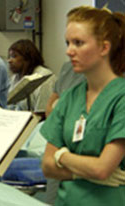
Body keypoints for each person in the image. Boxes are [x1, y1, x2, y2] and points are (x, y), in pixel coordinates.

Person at [41, 6, 125, 205]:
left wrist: (62, 156)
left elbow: (102, 169)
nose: (69, 51)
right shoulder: (70, 97)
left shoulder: (120, 97)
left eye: (78, 43)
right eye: (68, 43)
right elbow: (47, 165)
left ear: (104, 48)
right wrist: (81, 173)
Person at [7, 39, 56, 115]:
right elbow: (10, 107)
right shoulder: (16, 77)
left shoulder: (44, 77)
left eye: (14, 56)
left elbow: (43, 114)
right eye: (9, 56)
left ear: (27, 58)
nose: (9, 60)